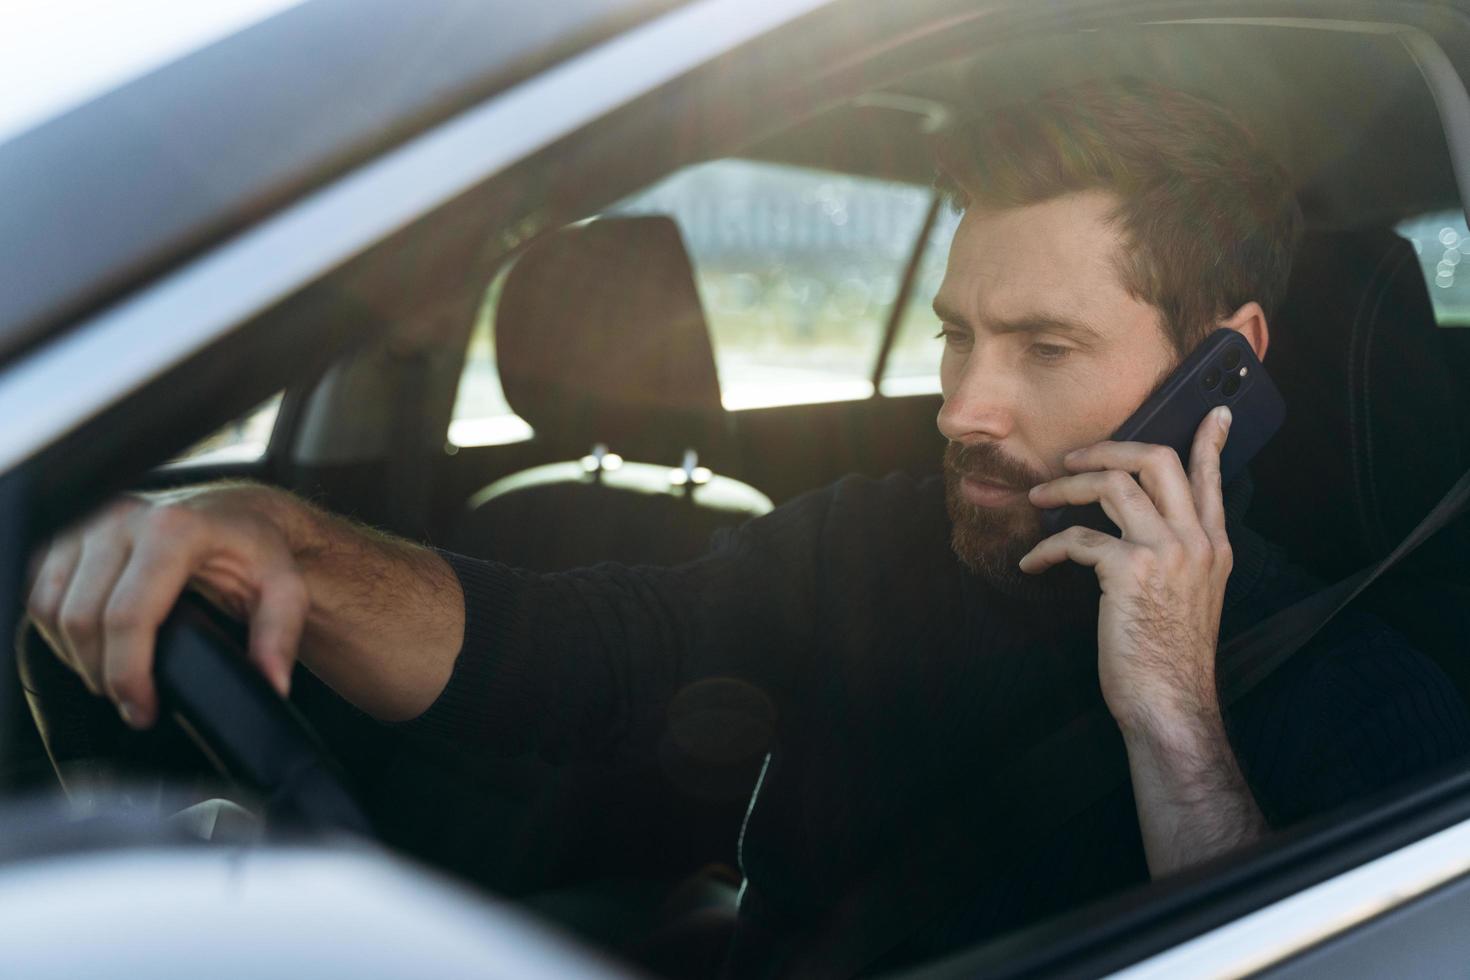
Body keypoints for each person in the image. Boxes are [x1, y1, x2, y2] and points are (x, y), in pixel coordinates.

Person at [24, 79, 1470, 975]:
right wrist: (278, 538)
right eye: (953, 334)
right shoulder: (870, 540)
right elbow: (561, 650)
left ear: (1225, 359)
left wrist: (1167, 711)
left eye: (1041, 347)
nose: (961, 405)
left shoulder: (1365, 681)